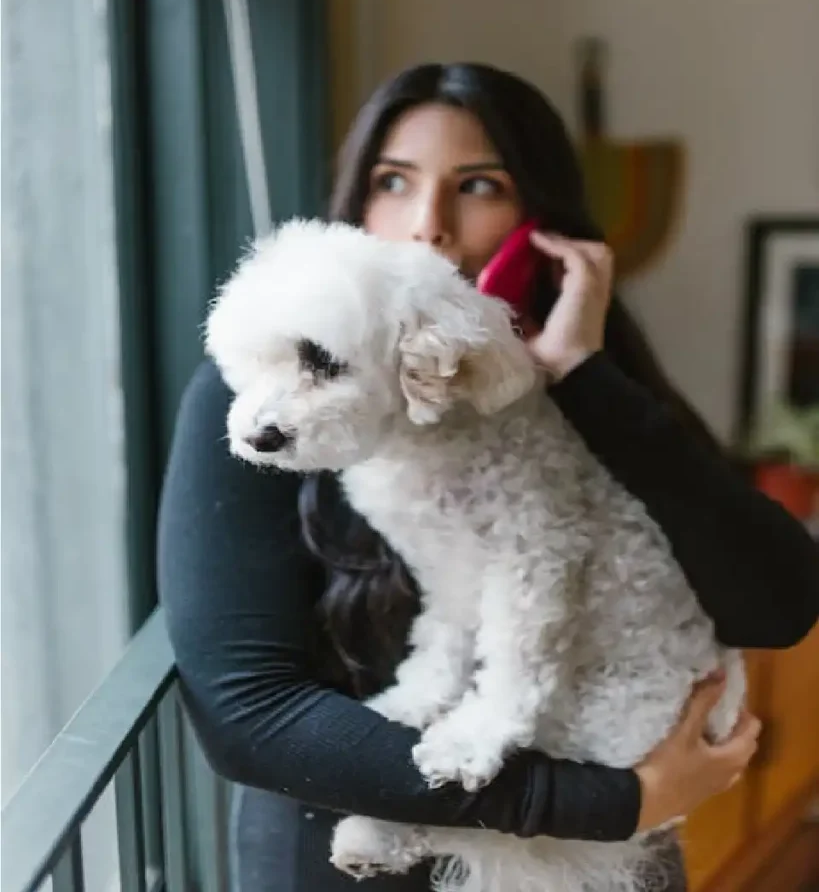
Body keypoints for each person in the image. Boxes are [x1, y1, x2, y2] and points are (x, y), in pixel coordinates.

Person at [158, 63, 819, 892]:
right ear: (355, 208)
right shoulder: (265, 401)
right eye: (392, 182)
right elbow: (246, 714)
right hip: (354, 862)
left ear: (537, 220)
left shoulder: (592, 386)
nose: (427, 225)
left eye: (477, 185)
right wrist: (608, 801)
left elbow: (778, 604)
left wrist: (580, 372)